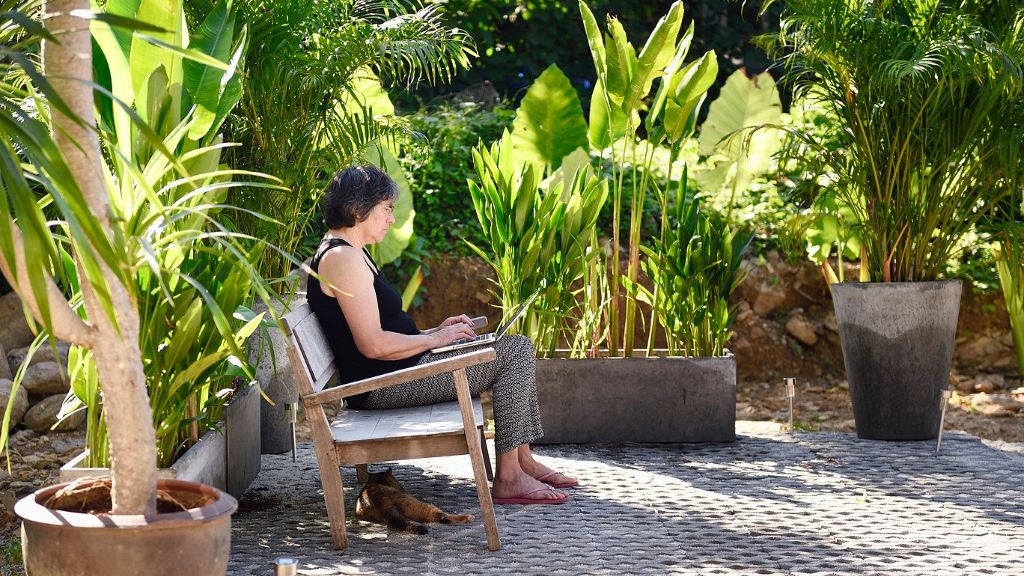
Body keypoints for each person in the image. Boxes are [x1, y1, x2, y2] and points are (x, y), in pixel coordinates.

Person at [307, 165, 577, 504]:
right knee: (514, 352)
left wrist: (437, 331)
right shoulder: (342, 258)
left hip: (399, 371)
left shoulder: (350, 252)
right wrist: (435, 341)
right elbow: (372, 344)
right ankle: (509, 477)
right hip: (383, 386)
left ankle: (522, 461)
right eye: (386, 208)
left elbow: (380, 331)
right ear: (359, 210)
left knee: (513, 347)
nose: (391, 218)